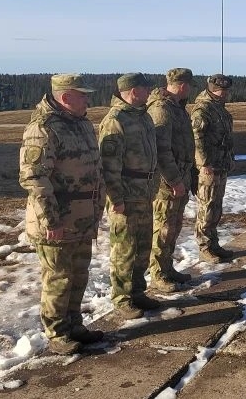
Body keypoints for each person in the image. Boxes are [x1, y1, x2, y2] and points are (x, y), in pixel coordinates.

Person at [19, 73, 105, 355]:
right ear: (66, 97)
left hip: (82, 218)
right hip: (57, 221)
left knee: (79, 275)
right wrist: (50, 220)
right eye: (83, 94)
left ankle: (74, 324)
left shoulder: (81, 124)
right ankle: (57, 333)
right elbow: (34, 178)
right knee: (59, 278)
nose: (88, 99)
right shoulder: (43, 128)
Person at [98, 72, 160, 319]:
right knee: (124, 248)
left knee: (143, 246)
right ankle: (122, 298)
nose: (149, 93)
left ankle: (137, 291)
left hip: (144, 192)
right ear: (134, 91)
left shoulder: (143, 116)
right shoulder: (116, 120)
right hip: (126, 194)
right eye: (146, 89)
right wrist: (116, 199)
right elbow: (108, 164)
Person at [146, 68, 196, 292]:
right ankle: (158, 274)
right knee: (163, 227)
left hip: (181, 176)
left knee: (174, 227)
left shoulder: (178, 108)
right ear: (183, 85)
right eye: (189, 86)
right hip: (168, 183)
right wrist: (174, 180)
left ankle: (167, 268)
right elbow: (162, 150)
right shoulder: (162, 109)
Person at [191, 74, 236, 263]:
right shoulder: (203, 108)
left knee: (217, 206)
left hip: (221, 163)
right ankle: (204, 246)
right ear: (211, 89)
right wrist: (203, 163)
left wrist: (230, 157)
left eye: (225, 90)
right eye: (220, 90)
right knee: (207, 206)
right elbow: (197, 138)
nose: (223, 93)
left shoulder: (219, 108)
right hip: (209, 166)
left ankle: (214, 243)